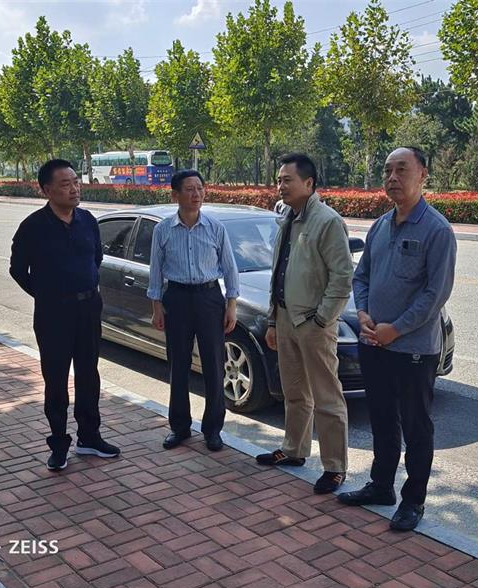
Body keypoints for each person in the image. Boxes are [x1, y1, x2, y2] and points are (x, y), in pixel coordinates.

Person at [339, 147, 456, 531]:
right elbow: (362, 276)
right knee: (382, 418)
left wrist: (397, 328)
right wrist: (364, 313)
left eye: (401, 170)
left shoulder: (437, 230)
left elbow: (435, 294)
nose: (392, 177)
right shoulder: (380, 226)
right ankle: (381, 485)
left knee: (416, 426)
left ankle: (413, 501)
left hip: (414, 350)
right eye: (387, 170)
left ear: (423, 174)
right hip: (374, 343)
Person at [9, 159, 120, 471]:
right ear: (47, 190)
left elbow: (96, 259)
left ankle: (90, 437)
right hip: (53, 313)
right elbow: (18, 270)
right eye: (65, 184)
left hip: (88, 308)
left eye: (76, 182)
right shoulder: (33, 227)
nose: (74, 189)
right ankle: (59, 444)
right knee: (56, 380)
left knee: (89, 375)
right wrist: (47, 295)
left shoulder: (87, 220)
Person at [256, 153, 353, 494]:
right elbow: (278, 273)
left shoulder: (327, 221)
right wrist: (273, 320)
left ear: (308, 183)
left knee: (327, 397)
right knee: (294, 391)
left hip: (313, 323)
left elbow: (342, 277)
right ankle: (294, 449)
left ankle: (335, 467)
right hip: (285, 318)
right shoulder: (288, 218)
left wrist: (322, 318)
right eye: (278, 180)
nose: (280, 186)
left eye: (287, 180)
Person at [148, 170, 240, 452]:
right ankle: (179, 427)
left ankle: (213, 429)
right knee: (178, 364)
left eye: (199, 188)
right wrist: (157, 307)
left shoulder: (215, 227)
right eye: (189, 189)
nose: (196, 194)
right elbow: (156, 270)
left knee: (213, 364)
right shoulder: (163, 229)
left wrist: (231, 305)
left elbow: (230, 268)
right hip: (176, 299)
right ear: (175, 195)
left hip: (209, 298)